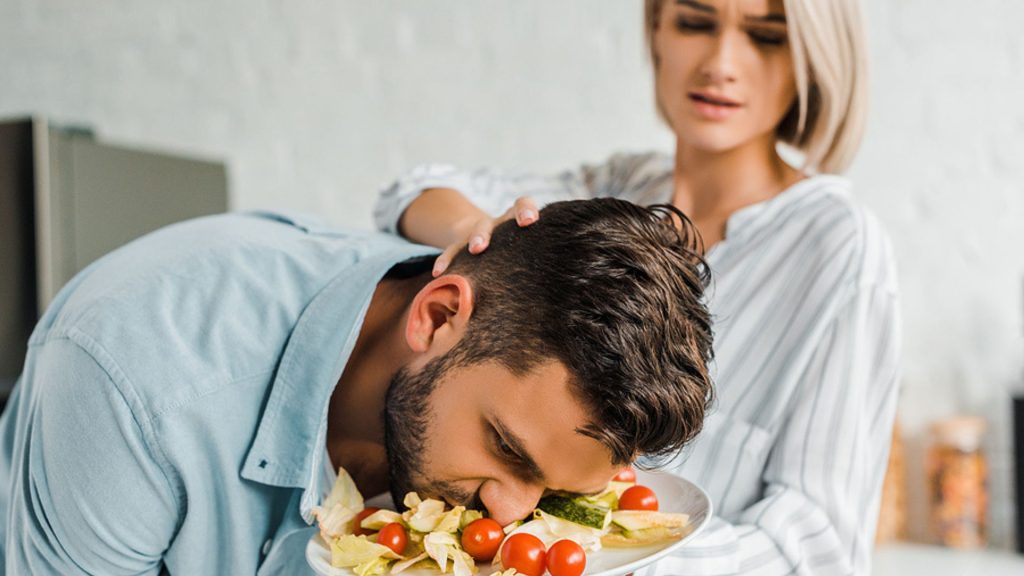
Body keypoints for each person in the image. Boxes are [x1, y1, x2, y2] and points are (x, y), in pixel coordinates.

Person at [373, 0, 900, 574]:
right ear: (656, 33)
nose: (721, 63)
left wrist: (613, 556)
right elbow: (411, 191)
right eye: (695, 23)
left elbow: (822, 543)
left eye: (766, 37)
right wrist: (474, 237)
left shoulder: (840, 245)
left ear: (814, 59)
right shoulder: (620, 190)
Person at [0, 199, 713, 575]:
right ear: (437, 317)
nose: (507, 518)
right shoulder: (132, 380)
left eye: (552, 492)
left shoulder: (494, 393)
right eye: (505, 449)